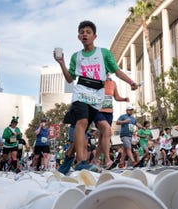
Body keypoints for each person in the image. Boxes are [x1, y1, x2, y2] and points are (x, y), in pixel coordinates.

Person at [53, 20, 138, 171]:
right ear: (78, 37)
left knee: (82, 130)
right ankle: (81, 162)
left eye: (88, 32)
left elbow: (117, 71)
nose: (84, 34)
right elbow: (70, 78)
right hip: (81, 91)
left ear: (94, 36)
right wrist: (61, 63)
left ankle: (67, 158)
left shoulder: (104, 53)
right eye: (82, 32)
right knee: (82, 122)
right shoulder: (76, 56)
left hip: (97, 95)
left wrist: (131, 82)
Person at [93, 77, 130, 169]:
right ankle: (107, 159)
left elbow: (116, 97)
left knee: (102, 139)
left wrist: (124, 99)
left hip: (109, 113)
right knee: (107, 130)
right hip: (98, 111)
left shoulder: (113, 83)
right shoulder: (97, 80)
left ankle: (95, 160)